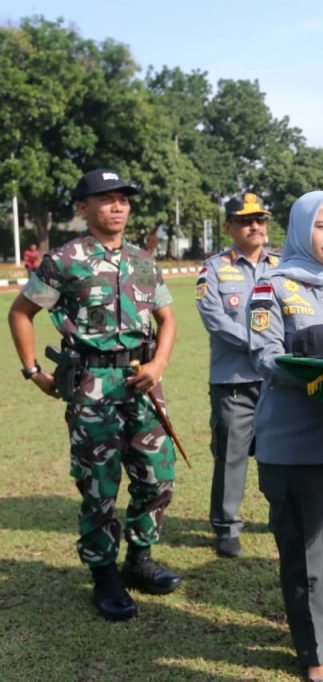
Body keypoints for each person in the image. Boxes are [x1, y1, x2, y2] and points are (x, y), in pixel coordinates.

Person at [7, 168, 181, 621]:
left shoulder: (143, 260)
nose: (118, 206)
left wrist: (159, 365)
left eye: (123, 198)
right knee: (98, 485)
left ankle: (139, 559)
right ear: (83, 208)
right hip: (92, 385)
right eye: (106, 198)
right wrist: (33, 371)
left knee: (157, 476)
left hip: (143, 381)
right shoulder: (63, 261)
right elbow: (21, 313)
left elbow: (167, 318)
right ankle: (104, 573)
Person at [248, 190, 323, 682]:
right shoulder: (271, 286)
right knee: (305, 553)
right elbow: (266, 356)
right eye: (321, 225)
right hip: (294, 442)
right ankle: (315, 659)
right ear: (299, 228)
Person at [196, 192, 279, 558]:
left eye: (260, 219)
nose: (255, 226)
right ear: (229, 226)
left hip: (276, 379)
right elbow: (215, 320)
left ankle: (280, 515)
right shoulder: (213, 269)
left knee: (279, 452)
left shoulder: (282, 266)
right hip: (234, 381)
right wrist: (262, 343)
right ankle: (227, 526)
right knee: (231, 456)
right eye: (245, 221)